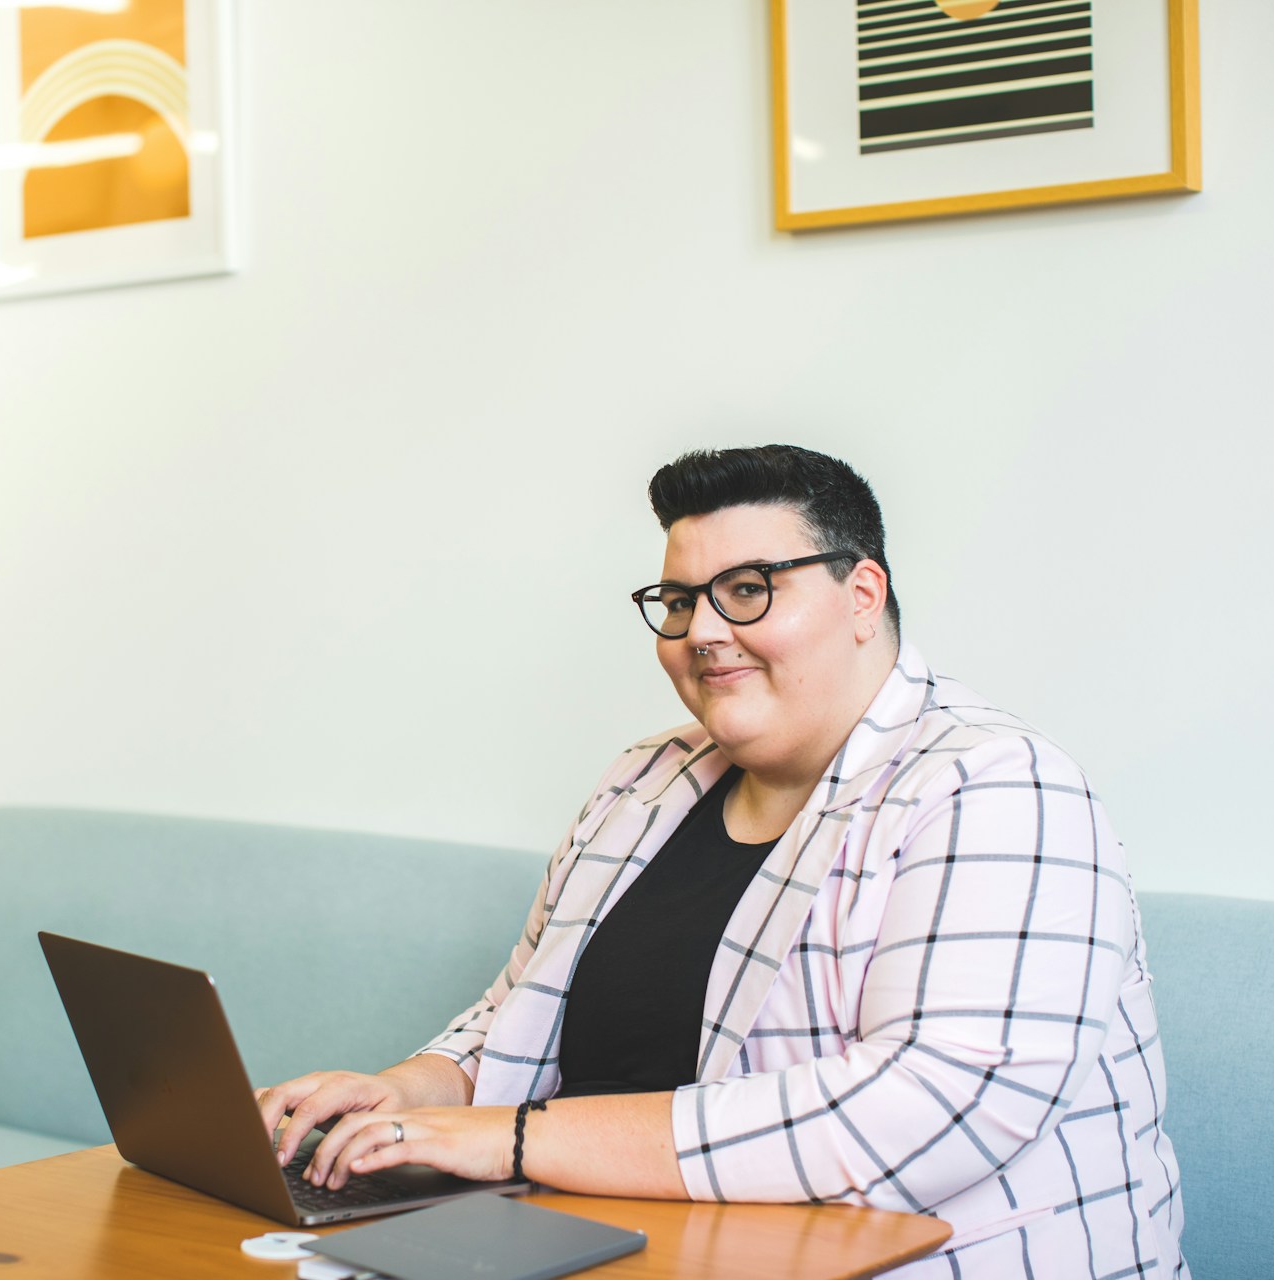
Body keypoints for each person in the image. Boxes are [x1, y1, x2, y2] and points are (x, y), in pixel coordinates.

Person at [256, 445, 1185, 1278]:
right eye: (680, 600)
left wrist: (509, 1141)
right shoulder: (644, 780)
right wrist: (404, 1094)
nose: (702, 630)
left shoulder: (995, 786)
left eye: (748, 589)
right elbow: (519, 1011)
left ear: (863, 596)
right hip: (625, 1246)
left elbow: (925, 1115)